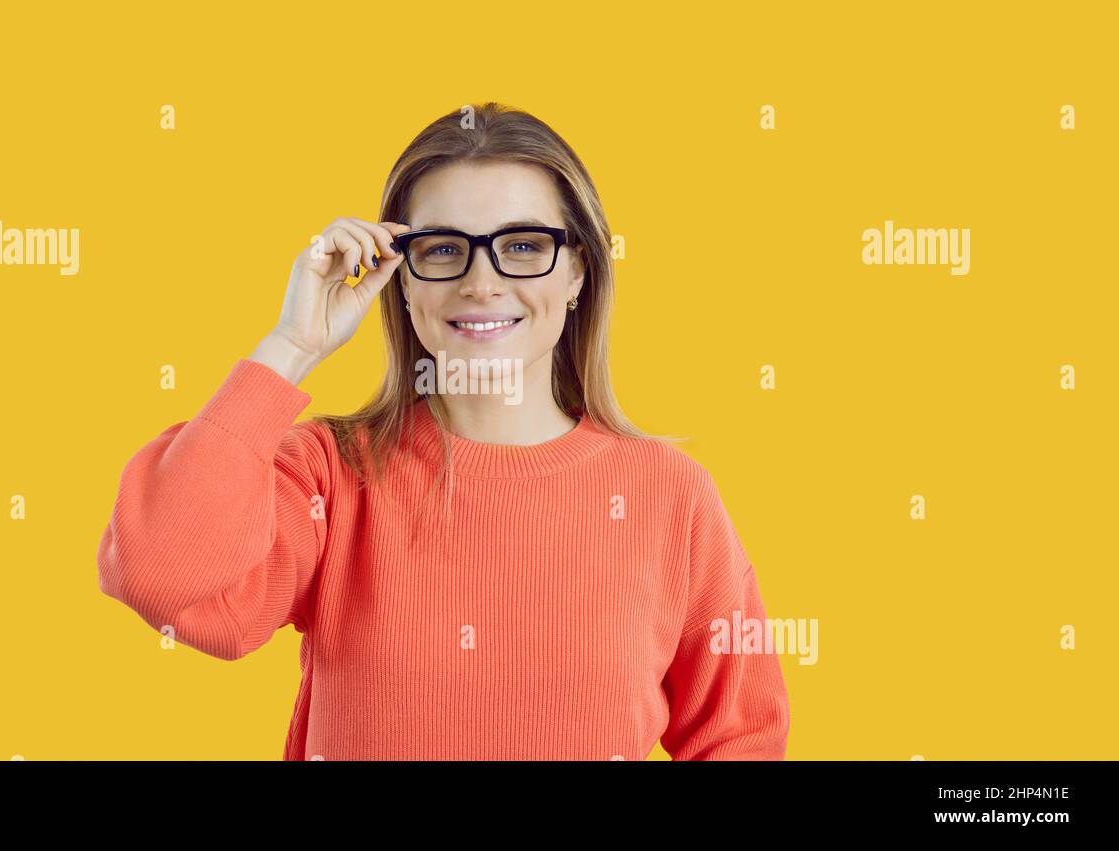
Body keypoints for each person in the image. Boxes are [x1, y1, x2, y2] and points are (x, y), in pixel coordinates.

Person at [97, 101, 790, 760]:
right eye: (442, 248)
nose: (481, 282)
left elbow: (741, 734)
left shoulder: (670, 495)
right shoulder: (331, 476)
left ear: (578, 267)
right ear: (400, 276)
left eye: (522, 245)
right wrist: (292, 342)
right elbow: (159, 574)